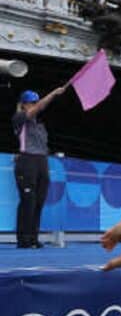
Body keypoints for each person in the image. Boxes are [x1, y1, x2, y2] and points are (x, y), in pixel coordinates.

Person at [11, 85, 67, 248]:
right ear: (23, 104)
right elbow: (41, 107)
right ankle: (23, 239)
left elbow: (42, 145)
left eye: (35, 101)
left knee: (39, 201)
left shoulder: (40, 125)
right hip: (27, 161)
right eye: (31, 102)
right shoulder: (19, 118)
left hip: (41, 161)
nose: (35, 104)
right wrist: (53, 93)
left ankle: (33, 238)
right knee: (28, 200)